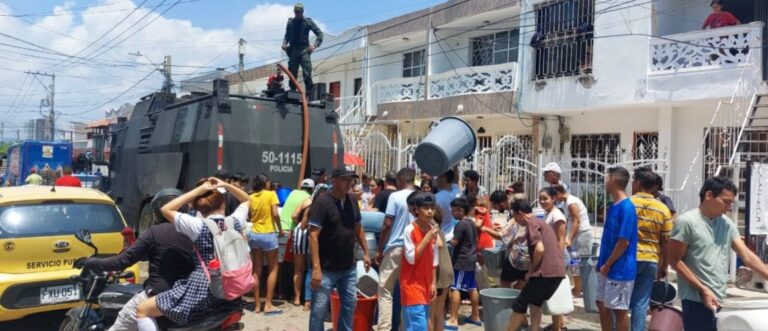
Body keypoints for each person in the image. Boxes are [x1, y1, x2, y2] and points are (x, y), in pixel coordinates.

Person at [134, 177, 250, 331]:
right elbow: (246, 199)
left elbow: (166, 209)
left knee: (142, 310)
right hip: (231, 288)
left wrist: (198, 190)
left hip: (202, 292)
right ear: (224, 203)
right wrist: (225, 185)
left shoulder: (198, 226)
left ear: (199, 209)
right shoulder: (235, 222)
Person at [77, 189, 195, 331]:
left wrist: (90, 262)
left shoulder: (154, 232)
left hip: (158, 295)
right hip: (189, 295)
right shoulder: (195, 229)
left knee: (121, 322)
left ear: (157, 211)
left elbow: (122, 261)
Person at [669, 176, 768, 331]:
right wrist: (703, 289)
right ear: (709, 195)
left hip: (719, 298)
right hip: (696, 299)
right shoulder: (687, 222)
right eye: (726, 201)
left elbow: (747, 256)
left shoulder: (726, 224)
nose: (728, 207)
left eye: (731, 203)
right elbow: (674, 261)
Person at [308, 167, 370, 331]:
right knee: (319, 310)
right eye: (345, 179)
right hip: (325, 268)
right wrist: (316, 268)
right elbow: (313, 235)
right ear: (334, 181)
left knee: (349, 305)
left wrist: (366, 253)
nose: (349, 183)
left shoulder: (351, 201)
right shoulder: (323, 202)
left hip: (348, 267)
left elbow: (358, 228)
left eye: (351, 180)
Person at [505, 199, 566, 331]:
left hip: (544, 273)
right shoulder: (541, 223)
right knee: (535, 304)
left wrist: (530, 271)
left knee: (519, 304)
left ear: (520, 213)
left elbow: (539, 249)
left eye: (515, 216)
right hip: (557, 272)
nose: (516, 220)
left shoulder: (531, 223)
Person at [628, 168, 672, 331]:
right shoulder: (662, 209)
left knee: (621, 301)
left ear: (638, 183)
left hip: (628, 259)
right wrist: (664, 265)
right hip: (651, 260)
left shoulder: (628, 203)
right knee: (641, 303)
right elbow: (666, 240)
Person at [596, 167, 637, 331]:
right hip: (606, 266)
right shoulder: (614, 205)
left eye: (606, 179)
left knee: (619, 310)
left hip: (620, 269)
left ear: (612, 180)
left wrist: (608, 264)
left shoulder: (627, 208)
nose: (605, 182)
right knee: (601, 303)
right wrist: (601, 263)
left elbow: (623, 242)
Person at [375, 167, 416, 331]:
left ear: (399, 180)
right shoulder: (420, 197)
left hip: (395, 247)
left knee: (385, 291)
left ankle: (384, 328)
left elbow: (387, 224)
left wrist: (379, 249)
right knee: (408, 291)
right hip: (414, 249)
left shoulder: (395, 196)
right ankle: (404, 327)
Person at [401, 192, 440, 331]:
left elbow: (434, 260)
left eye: (432, 207)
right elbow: (411, 258)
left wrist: (433, 283)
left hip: (425, 286)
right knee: (418, 326)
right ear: (416, 209)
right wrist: (427, 239)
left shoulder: (432, 230)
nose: (430, 211)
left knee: (421, 325)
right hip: (412, 287)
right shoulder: (410, 230)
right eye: (425, 207)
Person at [247, 174, 283, 314]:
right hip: (268, 233)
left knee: (257, 270)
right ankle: (268, 304)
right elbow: (275, 213)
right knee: (273, 268)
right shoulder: (271, 194)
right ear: (265, 183)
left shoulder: (251, 196)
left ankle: (257, 305)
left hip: (254, 233)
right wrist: (279, 229)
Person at [292, 183, 329, 310]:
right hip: (315, 241)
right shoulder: (326, 206)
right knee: (312, 270)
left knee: (307, 270)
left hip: (308, 240)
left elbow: (301, 224)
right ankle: (313, 301)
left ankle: (306, 301)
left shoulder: (311, 205)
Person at [446, 197, 481, 328]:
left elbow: (454, 242)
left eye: (454, 211)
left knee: (455, 287)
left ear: (461, 210)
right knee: (472, 288)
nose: (452, 213)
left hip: (462, 260)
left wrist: (444, 243)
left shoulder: (461, 224)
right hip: (471, 258)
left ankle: (454, 319)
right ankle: (475, 316)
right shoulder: (471, 222)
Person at [553, 184, 594, 297]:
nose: (554, 199)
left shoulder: (571, 202)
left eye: (554, 196)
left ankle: (584, 289)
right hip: (575, 235)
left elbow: (577, 222)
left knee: (581, 263)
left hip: (582, 235)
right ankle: (577, 287)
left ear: (559, 193)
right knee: (574, 262)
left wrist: (569, 239)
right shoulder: (567, 203)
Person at [280, 179, 315, 306]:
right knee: (310, 269)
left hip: (295, 231)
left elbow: (294, 215)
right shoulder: (310, 199)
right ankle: (308, 300)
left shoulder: (293, 193)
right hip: (310, 234)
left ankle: (296, 298)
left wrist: (298, 225)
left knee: (297, 268)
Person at [539, 187, 567, 331]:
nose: (543, 201)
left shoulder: (557, 216)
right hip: (549, 258)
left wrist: (558, 259)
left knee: (554, 295)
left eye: (545, 199)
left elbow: (561, 240)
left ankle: (557, 327)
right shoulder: (548, 214)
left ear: (553, 199)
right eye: (541, 199)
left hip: (555, 259)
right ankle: (559, 324)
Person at [282, 3, 323, 96]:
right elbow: (287, 36)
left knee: (307, 72)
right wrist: (284, 44)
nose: (297, 14)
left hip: (304, 49)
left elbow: (319, 34)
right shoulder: (290, 22)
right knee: (292, 72)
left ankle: (309, 91)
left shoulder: (307, 22)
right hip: (293, 49)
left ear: (302, 12)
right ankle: (292, 91)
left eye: (299, 12)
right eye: (296, 12)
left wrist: (315, 46)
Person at [435, 168, 461, 241]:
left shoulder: (437, 197)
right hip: (456, 234)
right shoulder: (457, 191)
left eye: (440, 177)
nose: (437, 179)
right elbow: (456, 181)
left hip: (444, 234)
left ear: (445, 178)